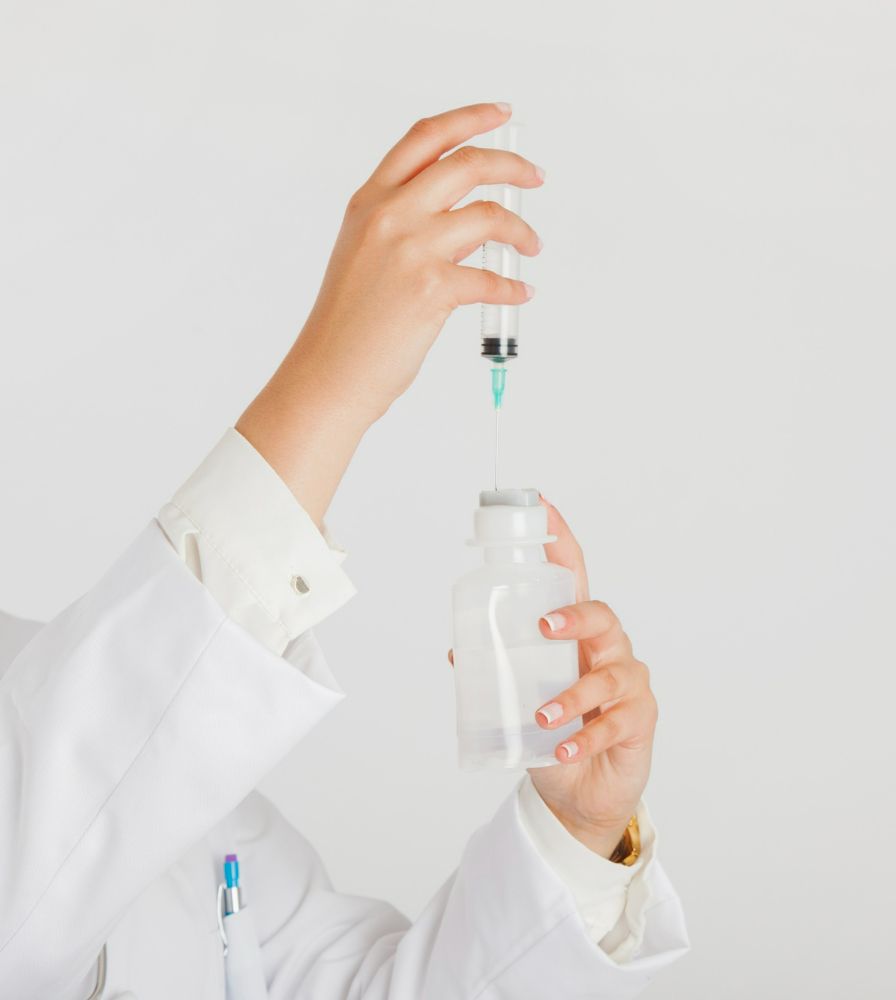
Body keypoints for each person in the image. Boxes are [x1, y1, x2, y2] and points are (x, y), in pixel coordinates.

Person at [0, 102, 688, 999]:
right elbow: (43, 863)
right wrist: (331, 383)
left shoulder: (69, 701)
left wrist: (576, 835)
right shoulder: (80, 724)